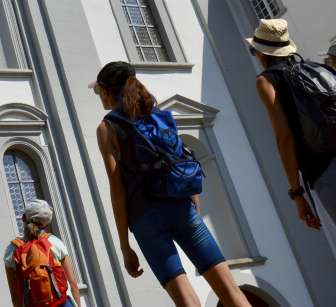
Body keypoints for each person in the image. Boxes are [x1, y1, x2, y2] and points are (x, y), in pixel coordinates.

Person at [94, 61, 252, 307]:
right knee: (232, 292)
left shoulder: (107, 128)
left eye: (98, 92)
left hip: (145, 219)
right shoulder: (158, 115)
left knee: (186, 301)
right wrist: (193, 211)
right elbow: (181, 158)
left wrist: (125, 245)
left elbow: (118, 189)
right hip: (181, 207)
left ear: (106, 91)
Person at [247, 18, 336, 255]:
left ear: (263, 52)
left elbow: (284, 137)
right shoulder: (316, 68)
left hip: (325, 170)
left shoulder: (266, 81)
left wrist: (296, 193)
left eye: (254, 50)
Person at [4, 199, 81, 307]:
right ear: (46, 224)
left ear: (23, 218)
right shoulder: (55, 243)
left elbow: (15, 295)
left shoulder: (11, 250)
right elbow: (73, 284)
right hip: (62, 303)